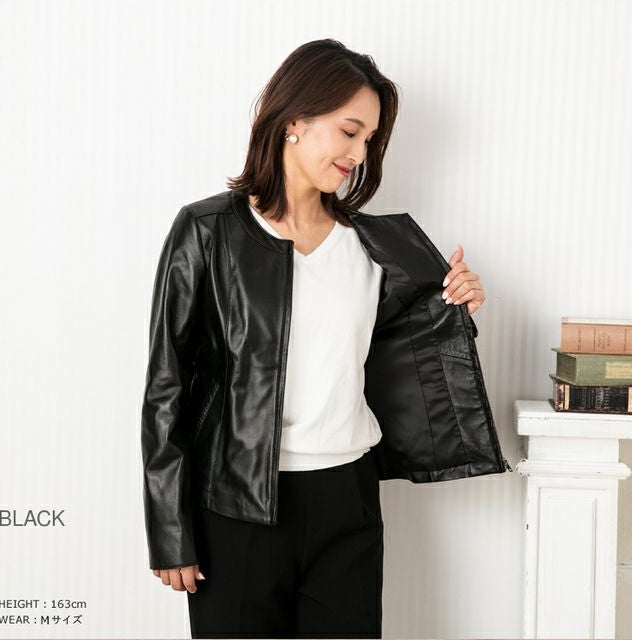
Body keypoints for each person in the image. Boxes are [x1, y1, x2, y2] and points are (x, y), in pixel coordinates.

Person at [141, 38, 510, 640]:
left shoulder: (377, 247)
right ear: (294, 120)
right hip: (235, 506)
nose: (359, 154)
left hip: (348, 498)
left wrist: (457, 306)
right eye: (350, 132)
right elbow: (166, 385)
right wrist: (169, 529)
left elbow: (404, 362)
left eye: (370, 140)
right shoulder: (207, 231)